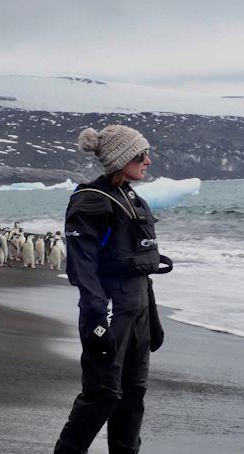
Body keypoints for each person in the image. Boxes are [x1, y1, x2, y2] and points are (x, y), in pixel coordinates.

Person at [55, 125, 172, 454]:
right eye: (140, 154)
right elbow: (83, 268)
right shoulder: (91, 201)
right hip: (110, 309)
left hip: (139, 311)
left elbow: (141, 268)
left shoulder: (133, 198)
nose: (148, 160)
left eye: (147, 153)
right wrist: (96, 320)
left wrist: (153, 319)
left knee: (133, 396)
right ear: (121, 158)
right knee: (102, 395)